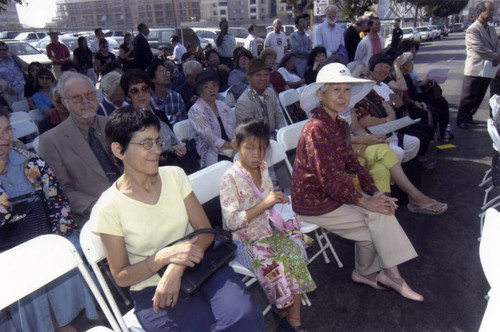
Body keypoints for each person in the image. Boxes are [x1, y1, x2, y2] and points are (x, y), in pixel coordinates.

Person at [90, 105, 264, 331]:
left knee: (243, 315)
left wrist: (175, 267)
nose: (156, 150)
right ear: (118, 150)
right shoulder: (108, 207)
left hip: (200, 265)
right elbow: (122, 276)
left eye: (157, 141)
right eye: (146, 143)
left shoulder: (173, 175)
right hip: (153, 286)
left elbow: (205, 232)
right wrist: (161, 258)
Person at [292, 62, 424, 302]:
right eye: (336, 90)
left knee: (378, 214)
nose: (343, 96)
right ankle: (386, 274)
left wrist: (375, 192)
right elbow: (329, 181)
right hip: (313, 202)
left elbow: (353, 162)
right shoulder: (316, 129)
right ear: (321, 94)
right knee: (374, 224)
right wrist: (366, 201)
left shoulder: (339, 124)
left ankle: (376, 273)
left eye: (346, 90)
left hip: (335, 193)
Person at [0, 107, 99, 331]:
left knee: (64, 251)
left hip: (42, 241)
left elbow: (58, 204)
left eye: (7, 130)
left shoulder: (31, 162)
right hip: (6, 255)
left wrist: (56, 240)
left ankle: (65, 324)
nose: (5, 137)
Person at [220, 119, 315, 332]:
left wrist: (276, 200)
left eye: (262, 148)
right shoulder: (229, 179)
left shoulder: (262, 167)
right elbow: (231, 222)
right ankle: (282, 308)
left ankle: (293, 320)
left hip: (268, 231)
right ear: (236, 146)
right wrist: (266, 203)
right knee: (277, 268)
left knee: (294, 254)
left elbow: (268, 198)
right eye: (249, 148)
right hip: (245, 242)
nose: (257, 154)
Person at [38, 72, 120, 225]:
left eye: (89, 94)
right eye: (76, 97)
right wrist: (101, 207)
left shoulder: (113, 124)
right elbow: (61, 191)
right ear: (64, 102)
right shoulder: (50, 141)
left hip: (133, 200)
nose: (85, 101)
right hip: (94, 215)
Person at [120, 69, 198, 173]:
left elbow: (174, 140)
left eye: (144, 89)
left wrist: (178, 148)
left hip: (178, 161)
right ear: (129, 96)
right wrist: (168, 151)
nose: (141, 94)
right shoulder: (130, 124)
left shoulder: (159, 114)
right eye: (135, 91)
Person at [352, 54, 422, 164]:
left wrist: (390, 110)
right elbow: (366, 121)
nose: (365, 78)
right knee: (398, 152)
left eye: (366, 75)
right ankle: (396, 175)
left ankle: (397, 172)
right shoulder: (353, 96)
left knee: (414, 142)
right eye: (361, 75)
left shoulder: (372, 90)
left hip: (388, 129)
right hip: (374, 134)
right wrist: (387, 119)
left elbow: (394, 106)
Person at [456, 1, 500, 129]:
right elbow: (478, 48)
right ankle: (461, 119)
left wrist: (497, 57)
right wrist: (495, 56)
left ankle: (469, 116)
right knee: (468, 96)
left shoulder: (491, 29)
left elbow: (496, 45)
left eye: (493, 10)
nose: (492, 13)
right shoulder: (472, 29)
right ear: (480, 12)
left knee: (479, 96)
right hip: (475, 68)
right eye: (489, 11)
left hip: (489, 68)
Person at [188, 70, 235, 168]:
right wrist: (232, 145)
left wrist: (237, 143)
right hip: (212, 153)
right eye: (206, 87)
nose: (211, 90)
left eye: (214, 86)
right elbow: (209, 138)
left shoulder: (223, 106)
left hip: (231, 148)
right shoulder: (196, 110)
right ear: (200, 90)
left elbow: (233, 130)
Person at [235, 58, 286, 136]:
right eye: (258, 75)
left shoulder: (270, 92)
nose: (263, 78)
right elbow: (250, 133)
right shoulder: (244, 102)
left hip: (275, 139)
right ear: (249, 77)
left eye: (266, 74)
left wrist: (283, 136)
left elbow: (280, 119)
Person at [147, 61, 187, 125]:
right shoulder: (147, 100)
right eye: (161, 72)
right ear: (152, 79)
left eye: (167, 72)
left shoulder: (176, 97)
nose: (166, 75)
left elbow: (182, 122)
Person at [0, 41, 27, 106]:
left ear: (7, 50)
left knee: (24, 109)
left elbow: (27, 68)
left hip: (22, 89)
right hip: (8, 92)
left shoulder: (13, 59)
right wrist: (7, 88)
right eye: (0, 50)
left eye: (4, 49)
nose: (2, 51)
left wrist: (15, 56)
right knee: (14, 110)